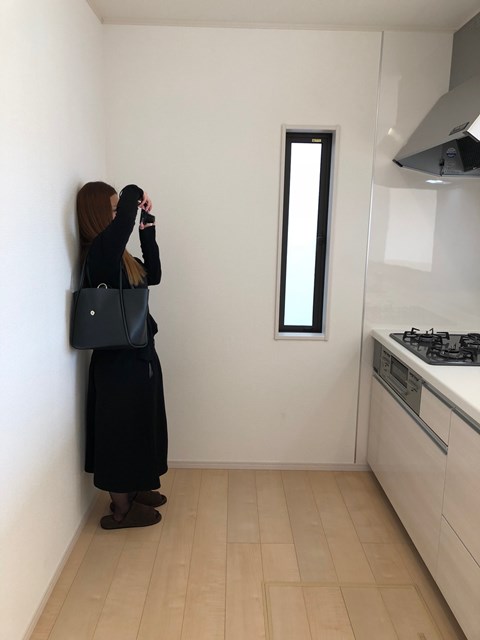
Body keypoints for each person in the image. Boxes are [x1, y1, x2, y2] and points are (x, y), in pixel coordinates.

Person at [76, 182, 168, 529]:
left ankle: (137, 487)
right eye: (113, 209)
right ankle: (121, 509)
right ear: (99, 215)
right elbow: (127, 209)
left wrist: (148, 229)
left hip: (137, 354)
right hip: (117, 362)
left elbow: (153, 275)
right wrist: (135, 192)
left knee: (139, 426)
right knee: (120, 433)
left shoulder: (119, 258)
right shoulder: (100, 252)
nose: (120, 214)